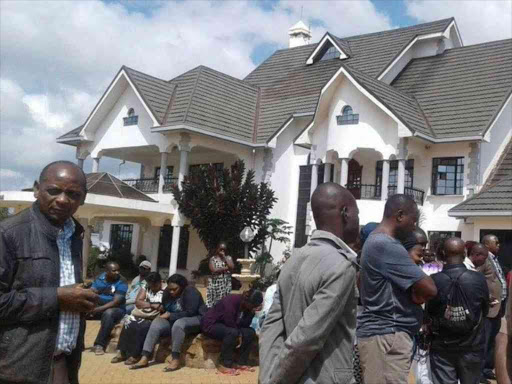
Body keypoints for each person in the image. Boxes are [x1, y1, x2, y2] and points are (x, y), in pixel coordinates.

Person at [0, 161, 99, 384]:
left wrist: (82, 300)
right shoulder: (9, 233)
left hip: (64, 362)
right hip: (19, 368)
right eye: (54, 191)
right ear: (37, 189)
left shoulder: (74, 235)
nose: (63, 200)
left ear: (83, 198)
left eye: (73, 194)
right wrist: (57, 297)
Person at [259, 182, 360, 384]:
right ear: (346, 212)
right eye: (358, 213)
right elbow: (307, 338)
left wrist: (268, 377)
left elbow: (270, 330)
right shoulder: (341, 266)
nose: (359, 221)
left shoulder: (293, 260)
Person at [357, 194, 437, 384]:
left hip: (384, 336)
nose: (414, 227)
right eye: (413, 220)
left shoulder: (376, 241)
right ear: (400, 215)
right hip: (387, 336)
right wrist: (416, 296)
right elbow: (430, 289)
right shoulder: (386, 245)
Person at [426, 237, 489, 384]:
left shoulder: (434, 279)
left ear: (443, 253)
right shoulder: (478, 279)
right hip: (472, 345)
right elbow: (484, 310)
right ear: (465, 253)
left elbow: (429, 312)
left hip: (442, 347)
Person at [132, 273, 205, 371]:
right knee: (157, 322)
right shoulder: (167, 292)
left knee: (179, 324)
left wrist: (171, 315)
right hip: (175, 319)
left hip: (195, 318)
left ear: (182, 286)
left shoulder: (191, 291)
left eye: (175, 289)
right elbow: (165, 308)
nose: (171, 291)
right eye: (170, 289)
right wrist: (163, 312)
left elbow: (191, 312)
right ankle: (145, 357)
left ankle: (175, 359)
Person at [201, 289, 263, 375]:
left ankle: (241, 362)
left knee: (250, 332)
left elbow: (245, 325)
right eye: (252, 305)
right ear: (247, 300)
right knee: (232, 332)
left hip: (227, 325)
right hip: (211, 324)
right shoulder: (231, 300)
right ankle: (224, 364)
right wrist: (240, 334)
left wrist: (251, 313)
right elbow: (229, 321)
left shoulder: (248, 307)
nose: (252, 307)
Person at [111, 271, 163, 365]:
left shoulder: (165, 290)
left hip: (154, 317)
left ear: (160, 282)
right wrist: (152, 305)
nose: (152, 288)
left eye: (154, 286)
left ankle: (135, 355)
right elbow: (138, 302)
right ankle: (122, 352)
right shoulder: (146, 287)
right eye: (150, 286)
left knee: (143, 327)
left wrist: (147, 304)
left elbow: (162, 307)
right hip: (143, 314)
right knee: (128, 322)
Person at [479, 234, 507, 383]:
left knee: (491, 340)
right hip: (489, 308)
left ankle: (488, 368)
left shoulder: (495, 259)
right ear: (487, 244)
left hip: (498, 308)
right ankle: (480, 372)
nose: (499, 245)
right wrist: (487, 296)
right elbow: (478, 279)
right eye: (496, 242)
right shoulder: (484, 258)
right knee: (484, 340)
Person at [89, 261, 129, 355]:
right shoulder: (100, 278)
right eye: (114, 271)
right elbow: (92, 291)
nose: (117, 272)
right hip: (98, 306)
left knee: (108, 314)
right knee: (80, 312)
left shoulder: (122, 281)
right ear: (107, 271)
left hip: (117, 309)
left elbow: (116, 302)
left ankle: (100, 344)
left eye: (118, 270)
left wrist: (97, 309)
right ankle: (79, 343)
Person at [206, 241, 235, 308]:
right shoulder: (213, 259)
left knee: (225, 302)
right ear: (217, 249)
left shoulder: (228, 258)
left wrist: (224, 257)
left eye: (224, 249)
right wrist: (226, 268)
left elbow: (232, 267)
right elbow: (214, 270)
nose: (222, 251)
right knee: (214, 303)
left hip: (225, 284)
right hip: (215, 284)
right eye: (220, 249)